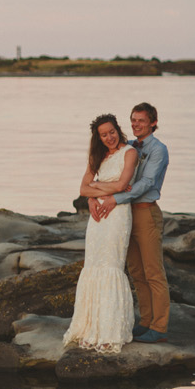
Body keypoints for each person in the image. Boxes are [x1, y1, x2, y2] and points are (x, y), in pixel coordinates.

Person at [89, 102, 170, 343]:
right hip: (125, 216)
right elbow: (107, 174)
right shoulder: (130, 147)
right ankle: (145, 322)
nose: (136, 124)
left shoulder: (159, 150)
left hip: (145, 213)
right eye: (133, 120)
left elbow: (145, 183)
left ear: (153, 123)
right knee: (136, 271)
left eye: (141, 121)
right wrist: (92, 197)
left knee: (154, 272)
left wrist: (115, 198)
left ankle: (159, 327)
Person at [64, 114, 139, 351]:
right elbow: (82, 188)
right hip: (97, 217)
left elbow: (121, 186)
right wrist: (93, 194)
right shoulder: (96, 156)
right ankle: (89, 328)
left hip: (117, 213)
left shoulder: (130, 152)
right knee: (94, 265)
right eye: (104, 134)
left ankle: (110, 330)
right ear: (98, 137)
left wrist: (95, 188)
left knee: (111, 267)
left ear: (118, 129)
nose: (109, 137)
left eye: (112, 132)